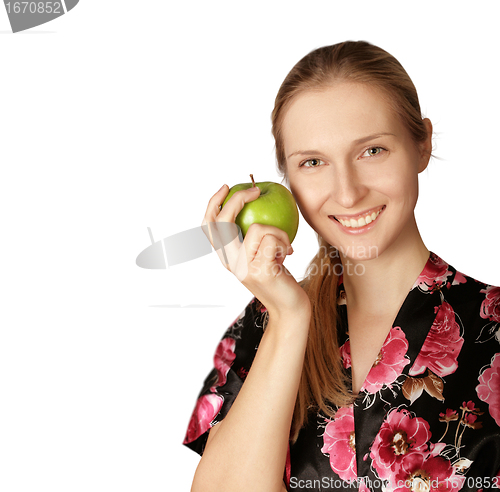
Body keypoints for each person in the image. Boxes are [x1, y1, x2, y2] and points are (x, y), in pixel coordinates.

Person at [183, 40, 500, 492]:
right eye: (313, 162)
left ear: (422, 144)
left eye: (372, 151)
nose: (347, 193)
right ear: (287, 180)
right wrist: (290, 319)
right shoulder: (257, 330)